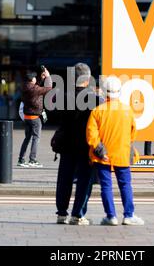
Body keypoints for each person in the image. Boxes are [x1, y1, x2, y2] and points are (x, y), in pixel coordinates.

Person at [86, 76, 144, 226]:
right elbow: (133, 133)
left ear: (104, 93)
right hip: (122, 154)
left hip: (103, 155)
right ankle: (128, 215)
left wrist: (99, 149)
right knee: (125, 184)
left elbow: (91, 134)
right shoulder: (127, 110)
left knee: (106, 185)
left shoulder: (97, 111)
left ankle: (111, 216)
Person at [55, 63, 104, 225]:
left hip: (66, 144)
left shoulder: (63, 96)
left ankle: (62, 213)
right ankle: (77, 214)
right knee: (84, 180)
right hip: (85, 145)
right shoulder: (94, 98)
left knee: (64, 178)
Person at [17, 67, 52, 168]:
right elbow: (48, 89)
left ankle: (21, 159)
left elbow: (36, 87)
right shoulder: (34, 89)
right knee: (36, 138)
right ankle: (32, 160)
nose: (36, 79)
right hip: (34, 118)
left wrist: (42, 78)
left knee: (27, 138)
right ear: (32, 79)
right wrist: (48, 77)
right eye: (35, 78)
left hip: (27, 117)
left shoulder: (26, 87)